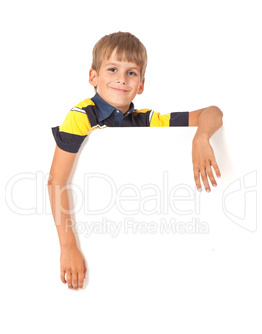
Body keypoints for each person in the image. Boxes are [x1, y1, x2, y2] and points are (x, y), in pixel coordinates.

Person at [48, 32, 223, 290]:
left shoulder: (145, 119)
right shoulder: (81, 116)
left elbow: (213, 112)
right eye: (112, 69)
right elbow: (56, 181)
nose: (121, 78)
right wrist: (68, 246)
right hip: (88, 227)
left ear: (141, 84)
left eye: (131, 72)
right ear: (93, 77)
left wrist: (201, 138)